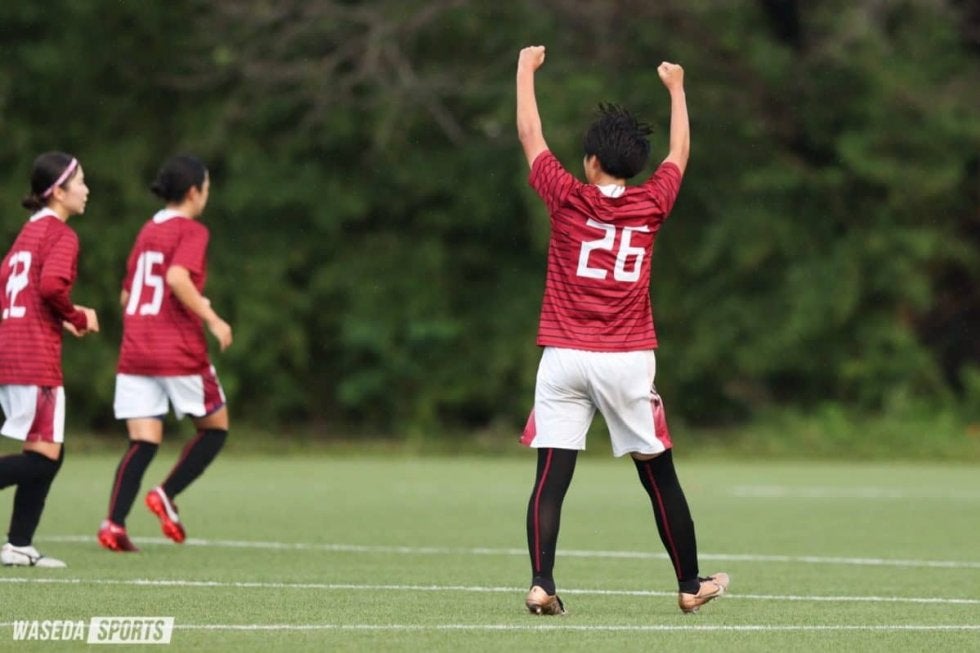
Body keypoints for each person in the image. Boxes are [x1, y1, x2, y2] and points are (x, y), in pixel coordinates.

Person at [516, 45, 729, 615]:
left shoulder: (566, 198)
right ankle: (690, 583)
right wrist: (677, 89)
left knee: (551, 476)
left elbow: (530, 134)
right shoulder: (651, 202)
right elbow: (680, 152)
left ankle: (542, 583)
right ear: (634, 165)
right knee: (658, 474)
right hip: (626, 357)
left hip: (563, 355)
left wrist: (525, 69)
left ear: (590, 161)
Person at [97, 154, 232, 553]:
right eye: (206, 188)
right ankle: (166, 493)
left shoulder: (148, 230)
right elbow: (176, 277)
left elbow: (127, 297)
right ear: (193, 192)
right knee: (215, 428)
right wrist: (211, 317)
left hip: (136, 348)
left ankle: (113, 524)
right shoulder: (192, 230)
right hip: (176, 349)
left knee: (143, 441)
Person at [0, 152, 100, 568]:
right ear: (58, 191)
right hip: (33, 359)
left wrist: (58, 319)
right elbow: (52, 285)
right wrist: (77, 316)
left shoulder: (28, 233)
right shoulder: (61, 234)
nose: (86, 190)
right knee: (44, 458)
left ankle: (19, 545)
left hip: (10, 353)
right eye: (80, 182)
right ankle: (18, 544)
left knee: (48, 455)